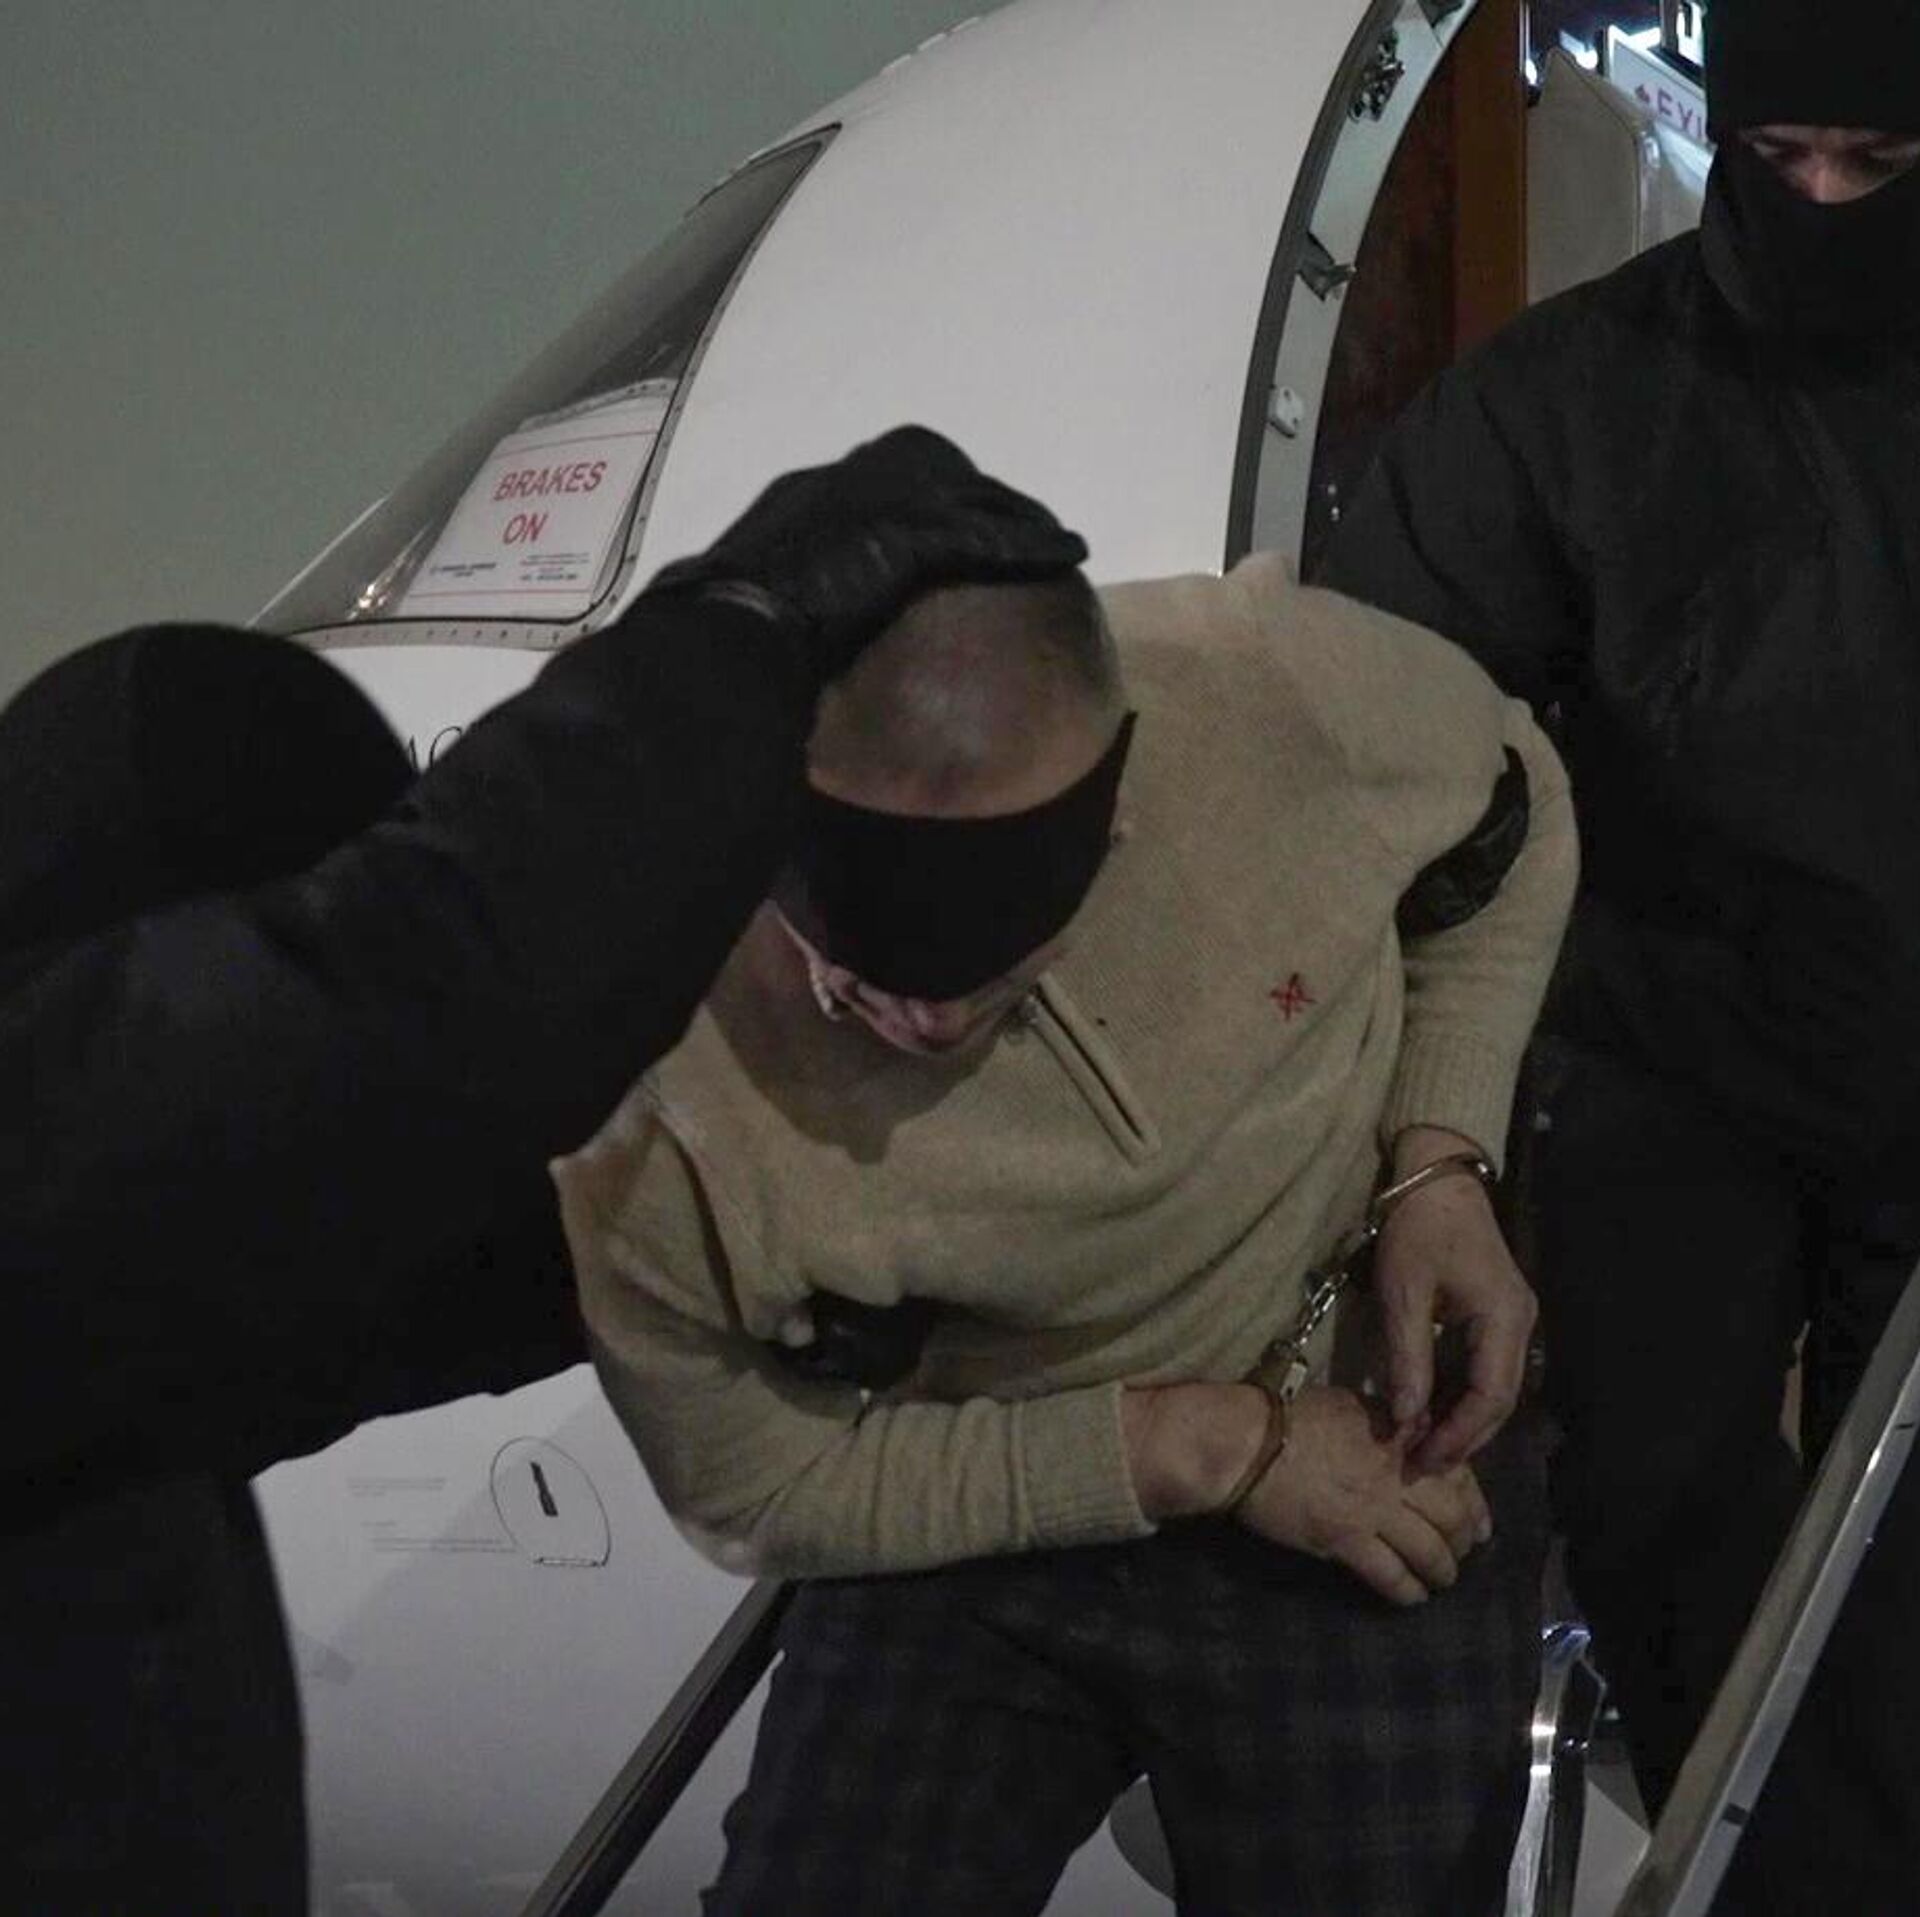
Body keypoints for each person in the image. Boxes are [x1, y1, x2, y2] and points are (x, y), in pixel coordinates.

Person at [2, 426, 1088, 1914]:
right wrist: (743, 634)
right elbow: (407, 1021)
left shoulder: (112, 1354)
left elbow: (366, 1298)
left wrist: (749, 1258)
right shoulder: (55, 1185)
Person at [557, 552, 1576, 1916]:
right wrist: (1197, 1447)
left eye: (983, 950)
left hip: (1365, 1419)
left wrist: (1442, 1158)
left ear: (1109, 817)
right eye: (857, 968)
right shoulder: (648, 1094)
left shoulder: (1257, 689)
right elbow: (759, 1487)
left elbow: (1515, 804)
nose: (923, 1022)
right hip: (984, 1474)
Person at [1316, 3, 1920, 1908]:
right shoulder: (1564, 405)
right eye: (1783, 158)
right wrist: (1435, 1135)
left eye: (1880, 165)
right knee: (1660, 1500)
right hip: (1669, 1036)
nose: (1823, 201)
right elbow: (1386, 741)